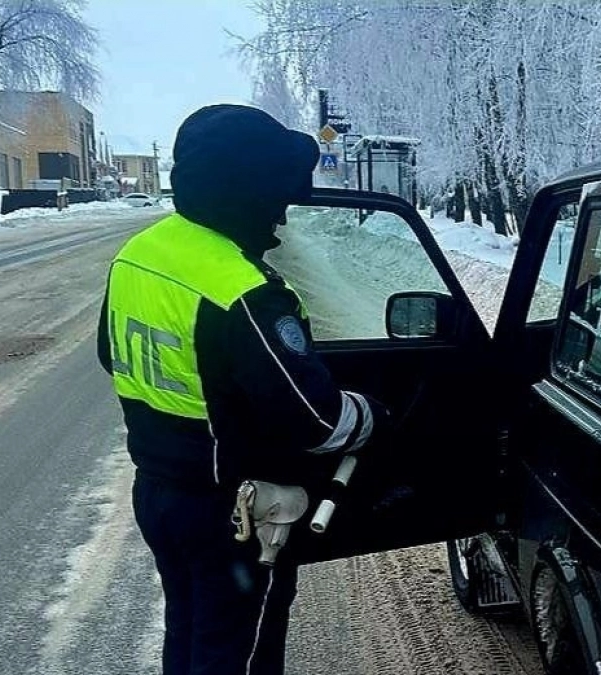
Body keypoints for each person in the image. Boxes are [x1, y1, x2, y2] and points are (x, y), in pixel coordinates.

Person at [97, 104, 386, 675]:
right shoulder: (243, 291)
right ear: (249, 192)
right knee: (240, 655)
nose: (284, 211)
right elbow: (315, 420)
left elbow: (113, 356)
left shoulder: (142, 253)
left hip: (158, 495)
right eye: (278, 191)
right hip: (230, 514)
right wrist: (371, 413)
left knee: (191, 631)